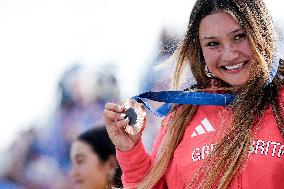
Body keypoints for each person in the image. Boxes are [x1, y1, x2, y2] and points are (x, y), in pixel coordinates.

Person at [103, 0, 284, 188]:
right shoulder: (183, 115)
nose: (229, 54)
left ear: (261, 32)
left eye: (239, 37)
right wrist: (131, 151)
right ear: (200, 50)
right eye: (213, 43)